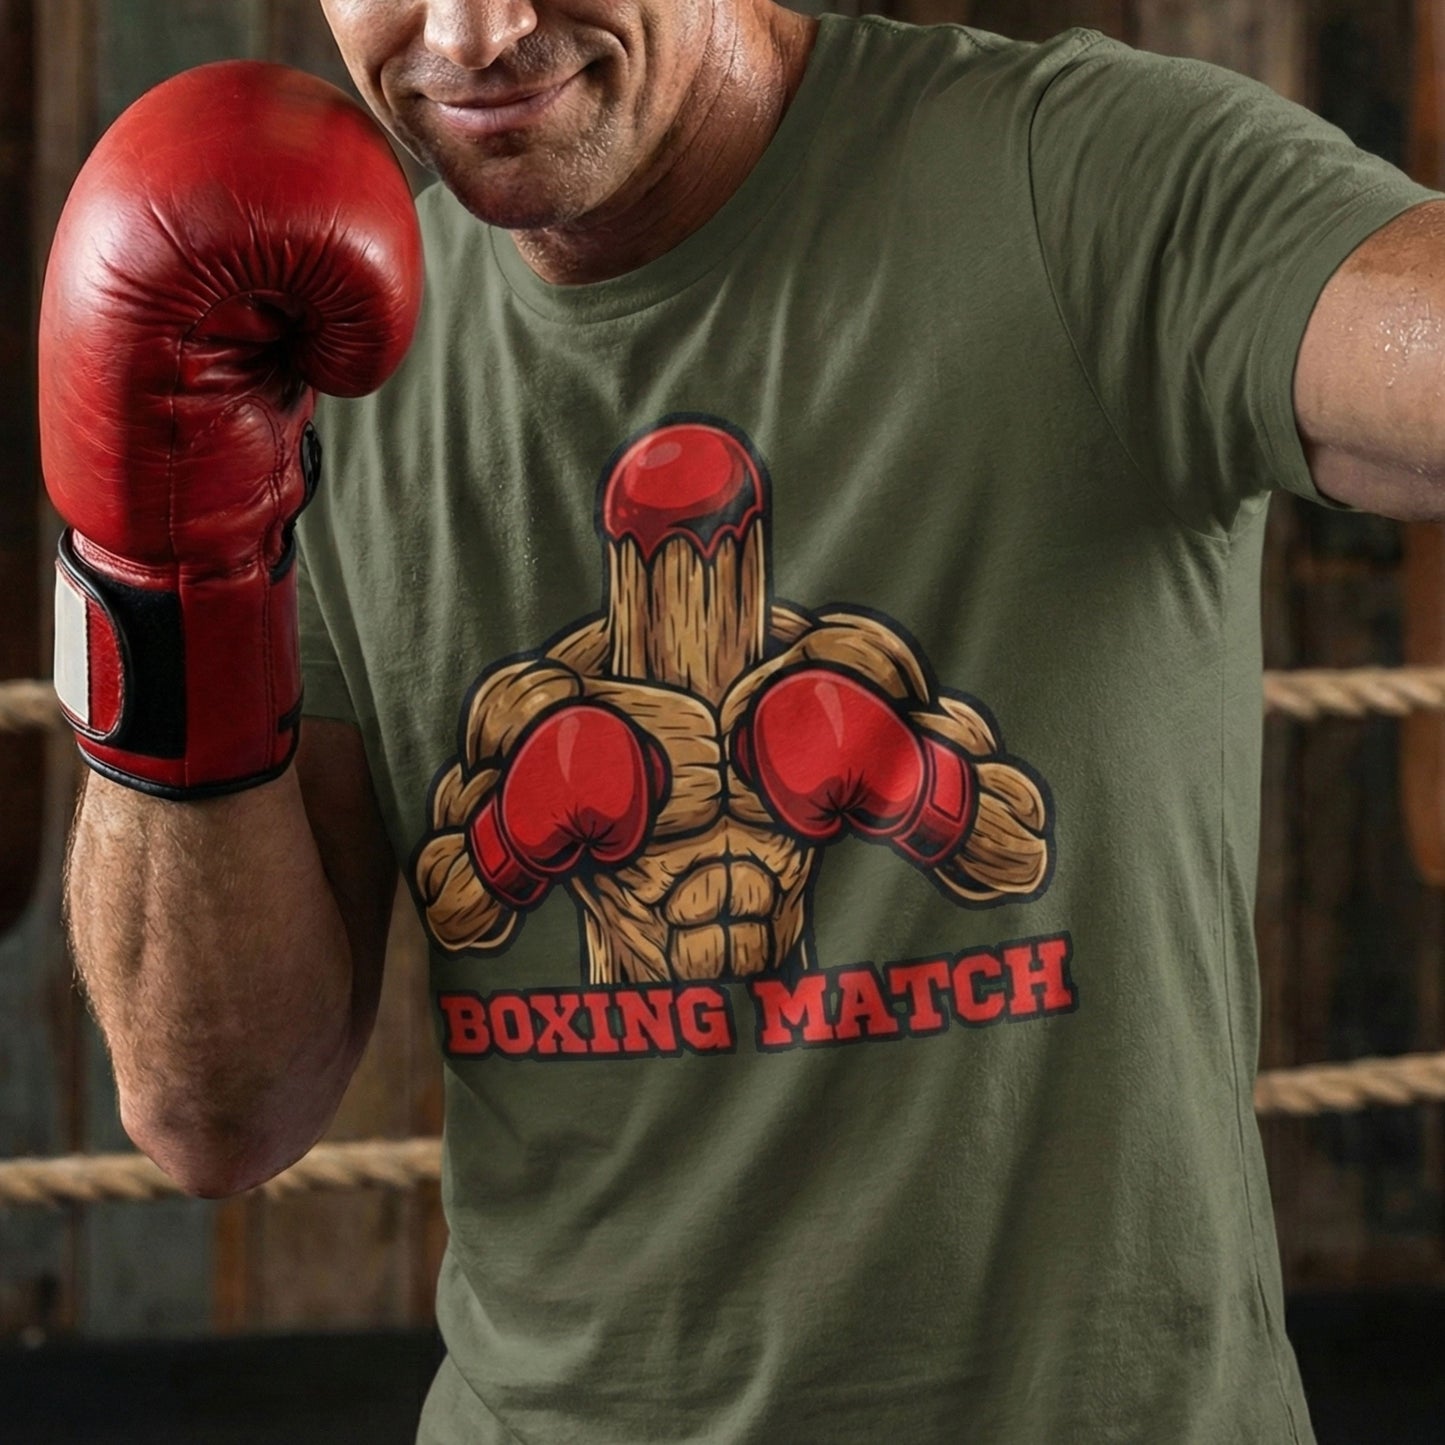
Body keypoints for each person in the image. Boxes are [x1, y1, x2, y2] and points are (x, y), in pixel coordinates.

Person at [41, 1, 1445, 1440]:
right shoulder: (328, 365)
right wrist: (161, 572)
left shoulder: (1072, 185)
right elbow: (216, 1112)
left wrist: (913, 789)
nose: (473, 33)